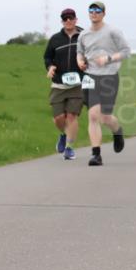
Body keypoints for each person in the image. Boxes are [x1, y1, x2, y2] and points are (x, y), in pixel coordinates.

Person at [76, 1, 130, 166]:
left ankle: (117, 131)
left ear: (103, 13)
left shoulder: (113, 31)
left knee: (105, 117)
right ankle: (96, 155)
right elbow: (80, 52)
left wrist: (108, 59)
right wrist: (80, 62)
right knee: (93, 116)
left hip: (109, 76)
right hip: (90, 77)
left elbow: (126, 51)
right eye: (91, 10)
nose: (94, 13)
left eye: (97, 10)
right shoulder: (84, 34)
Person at [43, 8, 83, 160]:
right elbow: (47, 57)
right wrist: (50, 67)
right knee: (58, 118)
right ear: (62, 21)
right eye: (65, 18)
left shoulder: (84, 37)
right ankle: (63, 135)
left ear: (75, 19)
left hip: (77, 84)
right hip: (59, 84)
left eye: (70, 18)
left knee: (72, 116)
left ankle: (69, 148)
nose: (68, 20)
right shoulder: (55, 39)